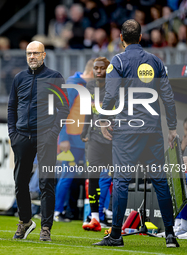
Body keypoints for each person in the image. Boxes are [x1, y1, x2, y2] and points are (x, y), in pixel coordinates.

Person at [94, 19, 179, 248]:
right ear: (141, 37)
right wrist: (172, 128)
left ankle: (116, 235)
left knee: (121, 181)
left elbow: (110, 96)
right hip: (152, 131)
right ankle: (170, 235)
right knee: (160, 182)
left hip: (126, 131)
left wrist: (103, 120)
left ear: (121, 38)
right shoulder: (156, 62)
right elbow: (168, 98)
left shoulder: (118, 61)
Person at [8, 41, 69, 241]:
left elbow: (63, 108)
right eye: (29, 53)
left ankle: (46, 227)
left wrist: (52, 133)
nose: (32, 57)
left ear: (44, 55)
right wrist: (12, 133)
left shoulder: (54, 77)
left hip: (46, 136)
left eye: (35, 53)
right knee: (20, 182)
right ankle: (25, 222)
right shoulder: (19, 78)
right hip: (21, 136)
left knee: (46, 183)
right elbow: (11, 108)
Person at [54, 59, 94, 222]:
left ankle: (91, 214)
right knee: (67, 176)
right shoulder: (73, 85)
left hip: (85, 140)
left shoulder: (87, 87)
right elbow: (62, 112)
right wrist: (63, 138)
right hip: (71, 140)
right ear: (92, 72)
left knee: (92, 176)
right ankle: (56, 212)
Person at [80, 57, 113, 232]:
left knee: (115, 178)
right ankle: (94, 218)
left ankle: (113, 215)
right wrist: (84, 130)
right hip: (94, 139)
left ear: (108, 70)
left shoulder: (115, 87)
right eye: (96, 68)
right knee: (92, 177)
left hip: (112, 140)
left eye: (101, 68)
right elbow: (87, 110)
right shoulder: (90, 86)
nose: (98, 71)